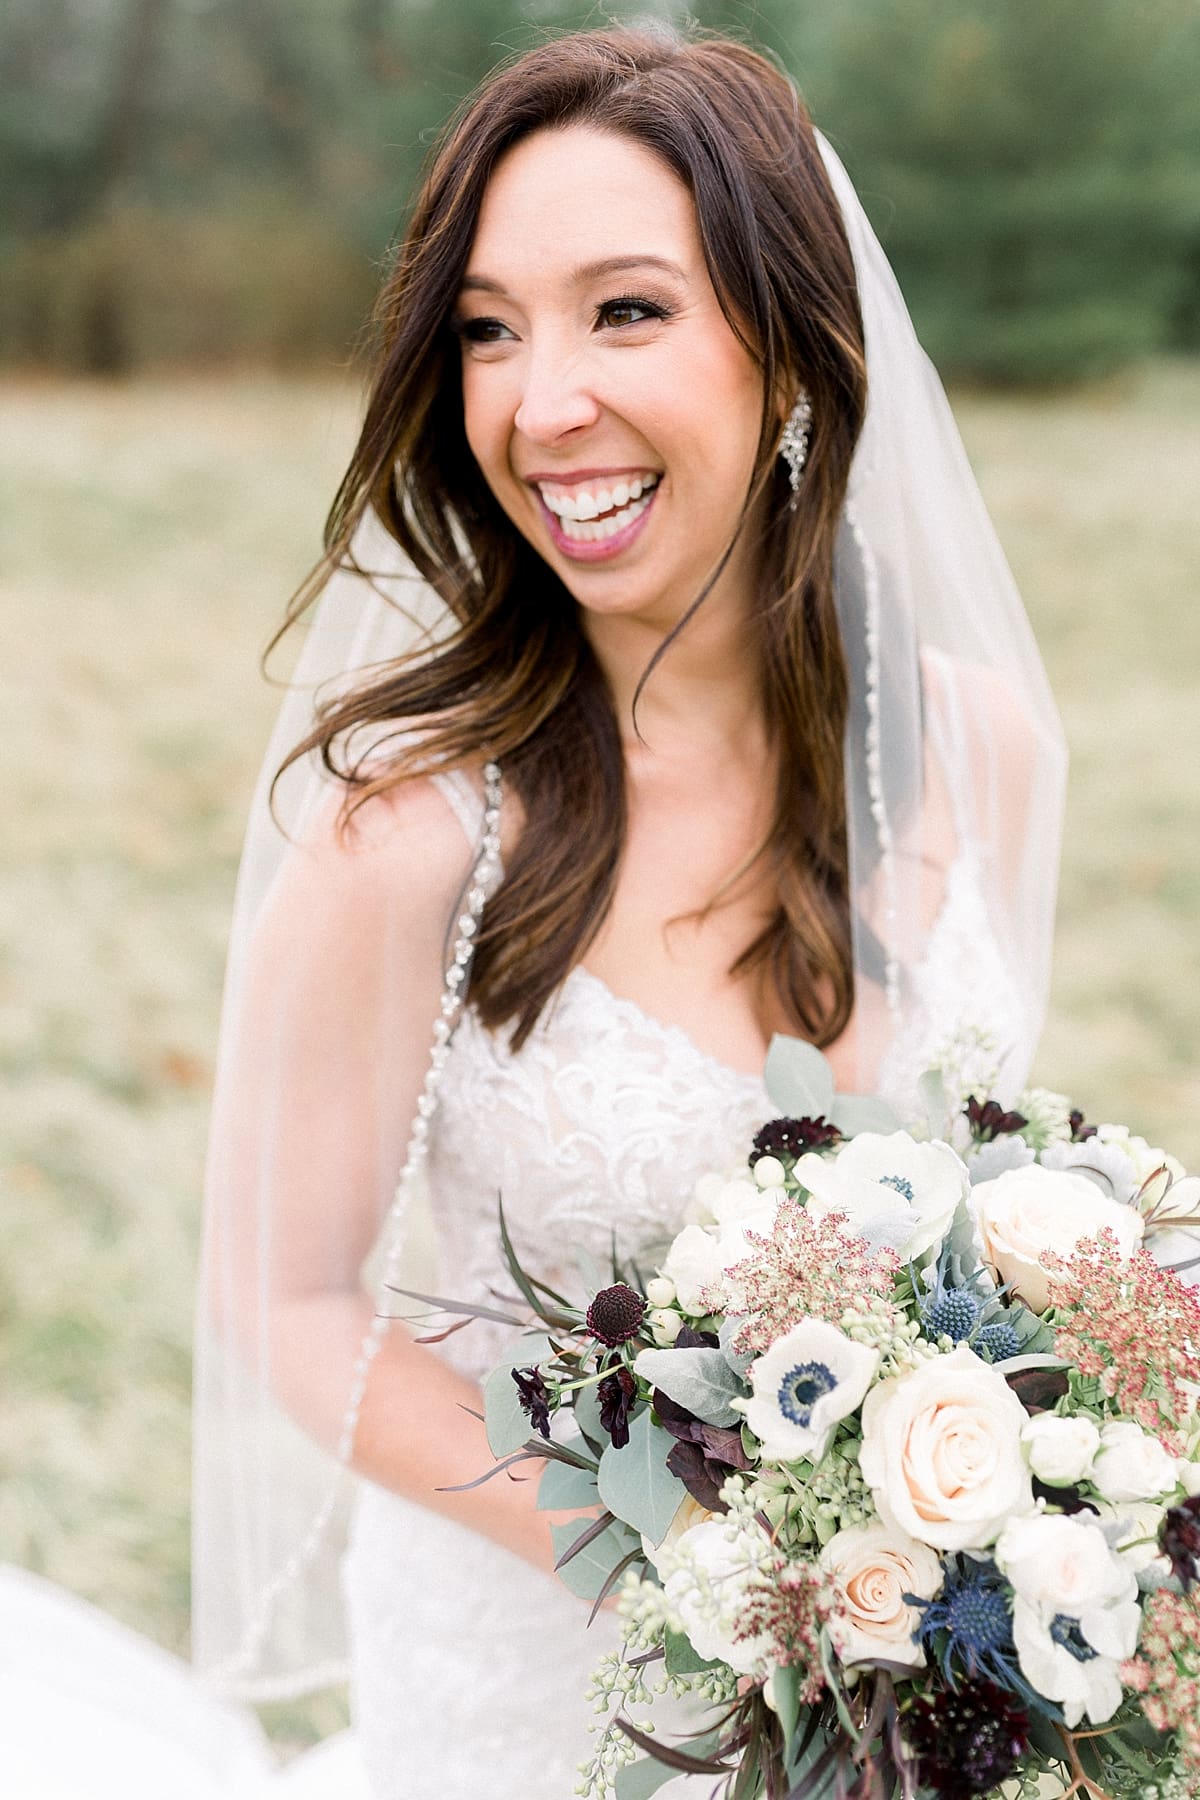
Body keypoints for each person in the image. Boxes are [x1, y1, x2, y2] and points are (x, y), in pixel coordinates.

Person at [192, 25, 1067, 1800]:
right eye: (490, 330)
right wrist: (693, 1577)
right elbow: (283, 1302)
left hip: (899, 1716)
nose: (539, 404)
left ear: (793, 348)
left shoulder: (975, 746)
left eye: (625, 311)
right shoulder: (414, 840)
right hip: (534, 1710)